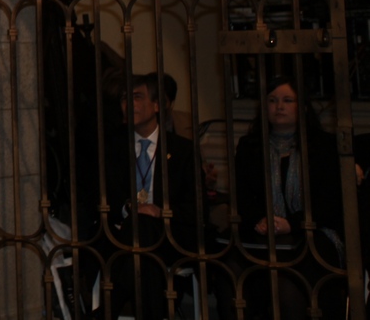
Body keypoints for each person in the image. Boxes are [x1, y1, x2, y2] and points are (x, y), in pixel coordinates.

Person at [217, 75, 346, 320]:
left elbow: (330, 202)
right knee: (231, 270)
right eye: (273, 100)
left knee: (289, 282)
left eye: (287, 100)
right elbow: (241, 196)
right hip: (261, 233)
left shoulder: (323, 146)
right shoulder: (250, 145)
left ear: (303, 107)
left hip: (312, 232)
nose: (279, 106)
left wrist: (293, 223)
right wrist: (260, 219)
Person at [96, 73, 199, 320]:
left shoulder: (182, 150)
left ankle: (106, 311)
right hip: (121, 234)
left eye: (137, 97)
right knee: (142, 235)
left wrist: (160, 211)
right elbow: (102, 198)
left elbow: (195, 207)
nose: (128, 104)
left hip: (168, 236)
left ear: (157, 105)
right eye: (124, 98)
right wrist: (130, 208)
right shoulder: (111, 148)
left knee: (144, 234)